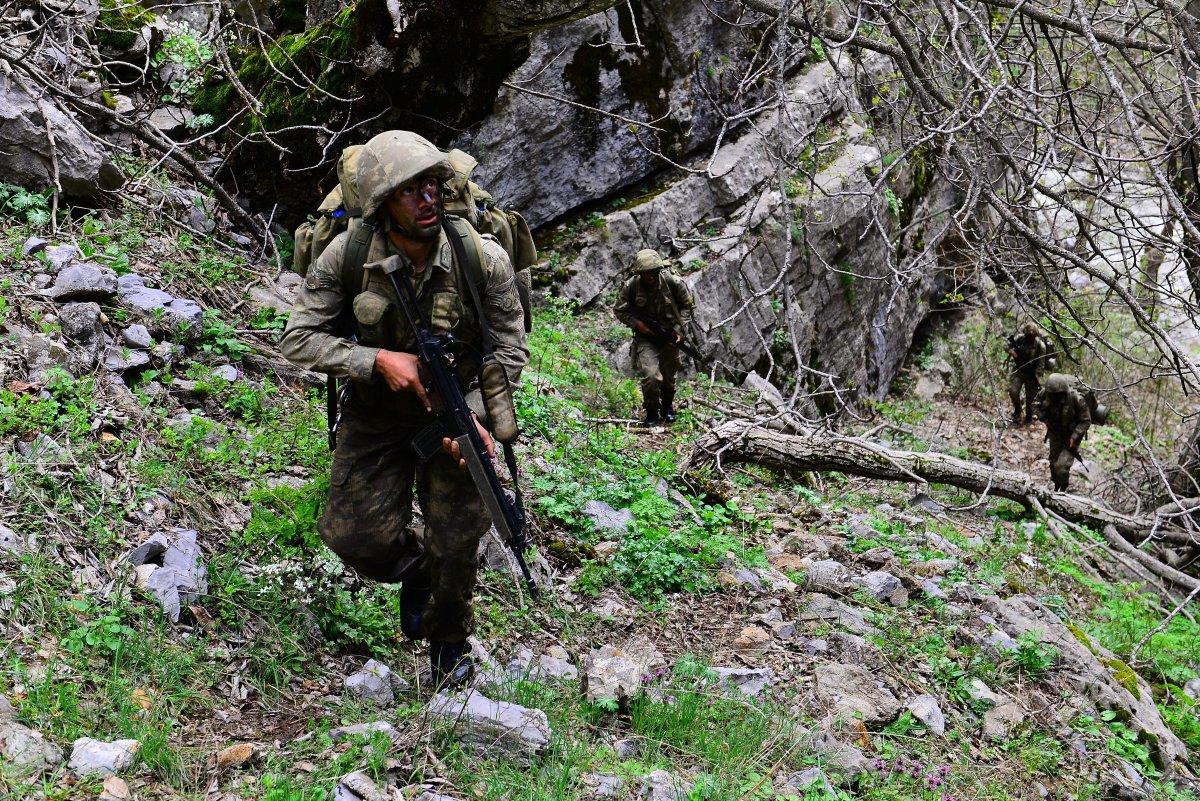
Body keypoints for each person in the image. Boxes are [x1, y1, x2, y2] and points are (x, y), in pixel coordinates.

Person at [280, 130, 528, 685]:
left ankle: (448, 645)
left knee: (459, 535)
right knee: (353, 538)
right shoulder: (348, 256)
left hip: (456, 408)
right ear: (381, 203)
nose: (428, 199)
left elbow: (511, 347)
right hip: (377, 411)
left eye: (433, 186)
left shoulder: (479, 257)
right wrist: (376, 362)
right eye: (410, 191)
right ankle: (419, 572)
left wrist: (476, 416)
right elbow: (297, 338)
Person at [613, 249, 695, 425]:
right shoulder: (631, 287)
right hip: (646, 338)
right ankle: (651, 411)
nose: (650, 277)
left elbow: (687, 307)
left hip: (670, 336)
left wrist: (678, 330)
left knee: (668, 378)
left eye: (653, 273)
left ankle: (667, 407)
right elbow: (619, 310)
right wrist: (637, 325)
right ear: (640, 274)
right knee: (650, 376)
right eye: (646, 274)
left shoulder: (673, 282)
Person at [1035, 373, 1091, 491]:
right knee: (1053, 464)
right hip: (1055, 432)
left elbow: (1086, 421)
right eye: (1052, 394)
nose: (1055, 397)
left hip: (1071, 435)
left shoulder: (1076, 398)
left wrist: (1075, 436)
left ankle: (1063, 489)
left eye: (1058, 394)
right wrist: (1044, 418)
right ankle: (1056, 487)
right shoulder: (1045, 393)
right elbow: (1034, 405)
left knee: (1061, 467)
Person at [1005, 323, 1055, 425]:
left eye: (1032, 335)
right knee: (1013, 391)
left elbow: (1041, 364)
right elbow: (1006, 345)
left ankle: (1028, 416)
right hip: (1019, 370)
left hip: (1031, 374)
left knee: (1030, 399)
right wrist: (1012, 352)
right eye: (1028, 335)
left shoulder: (1040, 346)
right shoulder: (1019, 339)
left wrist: (1037, 378)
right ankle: (1018, 410)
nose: (1030, 337)